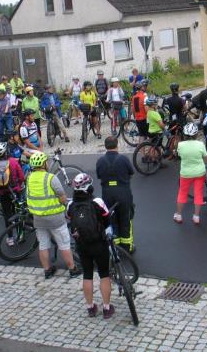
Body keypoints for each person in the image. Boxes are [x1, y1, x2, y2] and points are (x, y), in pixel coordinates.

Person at [25, 152, 81, 279]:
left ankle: (47, 270)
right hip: (55, 218)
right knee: (64, 244)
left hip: (38, 219)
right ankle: (72, 269)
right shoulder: (50, 178)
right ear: (44, 164)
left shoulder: (29, 178)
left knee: (43, 245)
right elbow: (62, 196)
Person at [67, 173, 114, 319]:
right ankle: (106, 308)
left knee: (87, 274)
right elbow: (107, 218)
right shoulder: (97, 202)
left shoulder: (71, 204)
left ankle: (91, 308)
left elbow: (69, 219)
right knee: (104, 274)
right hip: (99, 243)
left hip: (82, 244)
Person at [95, 136, 135, 253]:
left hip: (107, 194)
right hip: (123, 193)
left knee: (111, 220)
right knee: (126, 219)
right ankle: (127, 247)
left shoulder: (100, 161)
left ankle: (115, 247)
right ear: (117, 145)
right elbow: (131, 173)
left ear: (105, 146)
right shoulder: (124, 159)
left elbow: (99, 176)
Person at [0, 142, 26, 246]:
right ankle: (20, 235)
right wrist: (19, 185)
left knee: (7, 215)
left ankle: (10, 238)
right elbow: (21, 177)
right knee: (18, 213)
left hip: (3, 193)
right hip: (15, 191)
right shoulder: (13, 162)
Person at [175, 123, 207, 225]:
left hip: (186, 173)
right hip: (200, 172)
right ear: (196, 134)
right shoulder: (200, 144)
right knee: (198, 193)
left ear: (184, 134)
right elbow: (205, 157)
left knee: (182, 193)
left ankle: (179, 215)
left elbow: (179, 156)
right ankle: (196, 217)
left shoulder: (180, 145)